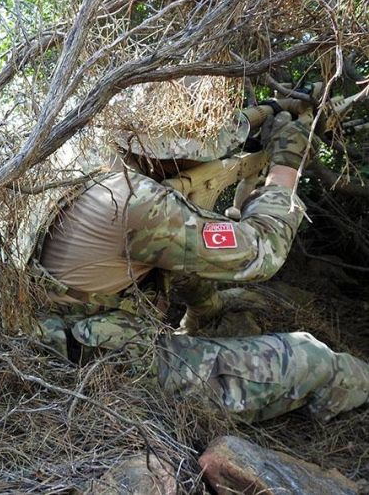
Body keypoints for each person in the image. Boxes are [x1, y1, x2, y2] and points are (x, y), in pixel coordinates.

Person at [24, 92, 369, 423]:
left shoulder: (99, 169)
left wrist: (207, 310)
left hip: (70, 339)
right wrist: (286, 167)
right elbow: (264, 250)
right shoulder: (137, 200)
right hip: (102, 370)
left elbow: (174, 259)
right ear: (170, 151)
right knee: (312, 359)